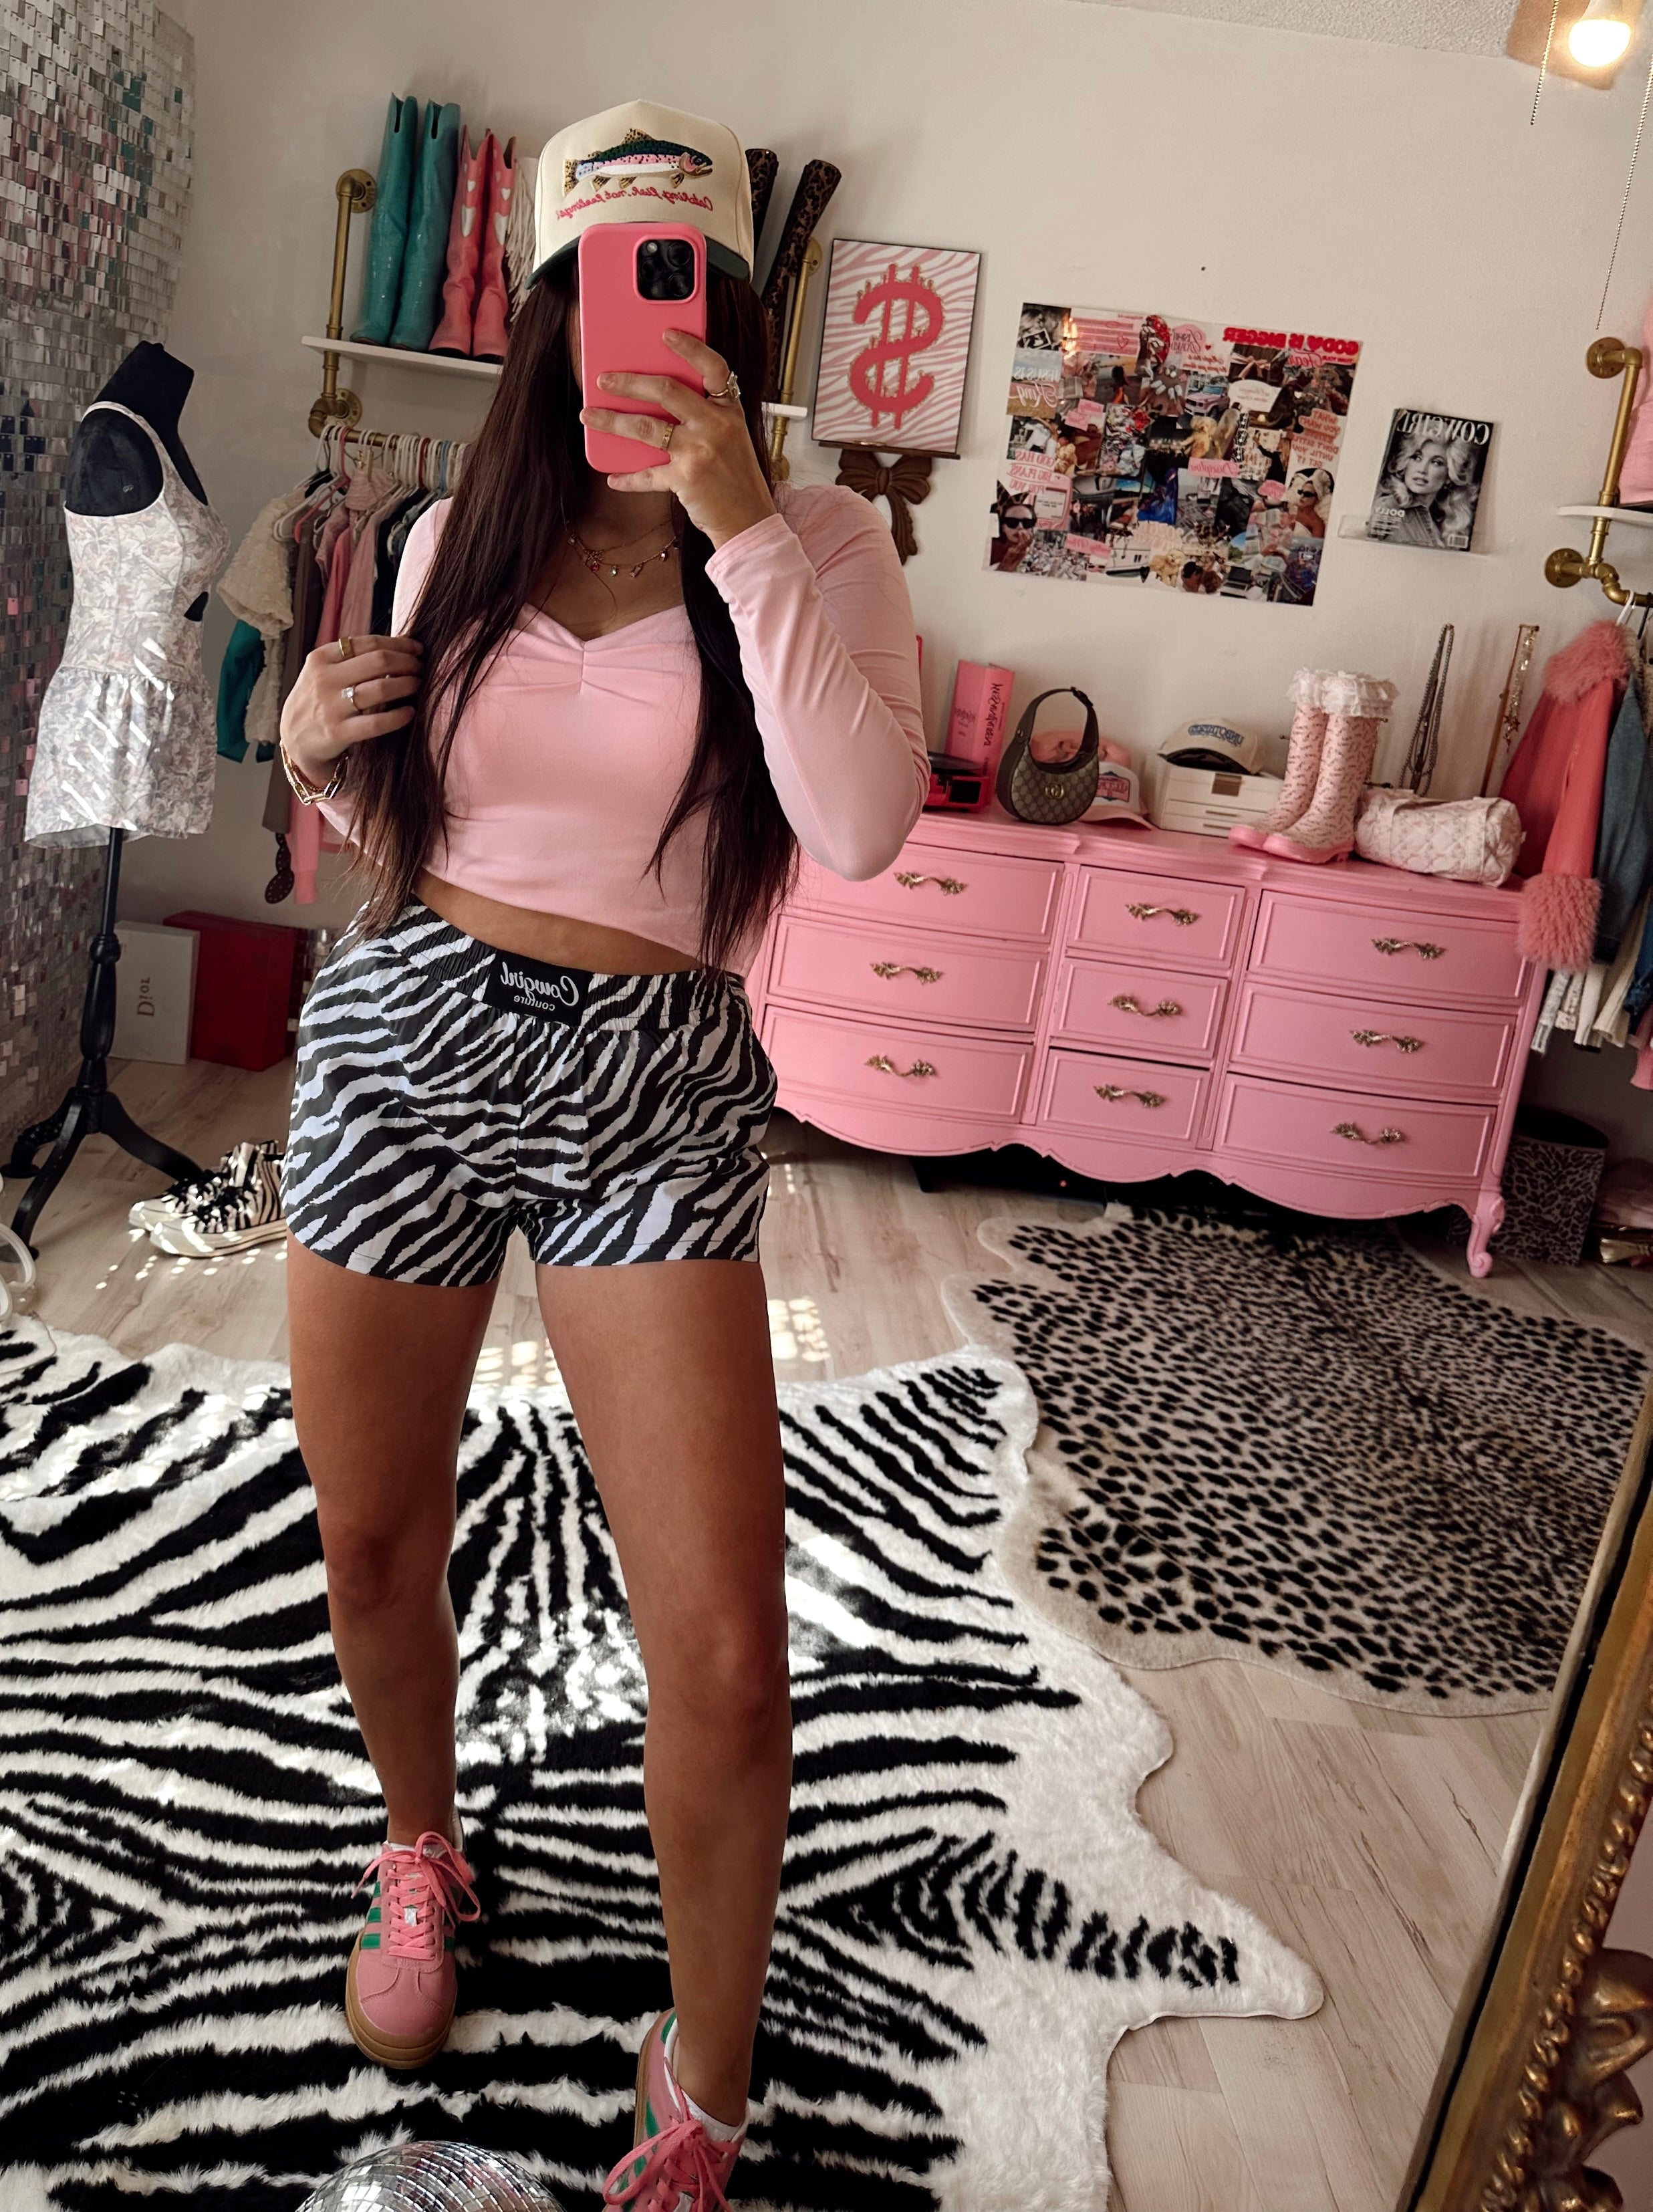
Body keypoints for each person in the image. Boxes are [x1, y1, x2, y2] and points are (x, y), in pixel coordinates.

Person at [275, 99, 926, 2211]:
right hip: (408, 1033)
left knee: (722, 1646)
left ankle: (705, 2076)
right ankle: (420, 1847)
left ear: (736, 319)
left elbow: (857, 828)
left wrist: (739, 523)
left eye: (693, 292)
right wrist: (306, 753)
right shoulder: (440, 538)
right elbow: (416, 827)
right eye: (610, 291)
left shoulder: (822, 542)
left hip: (655, 1080)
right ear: (550, 313)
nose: (652, 329)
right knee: (374, 1541)